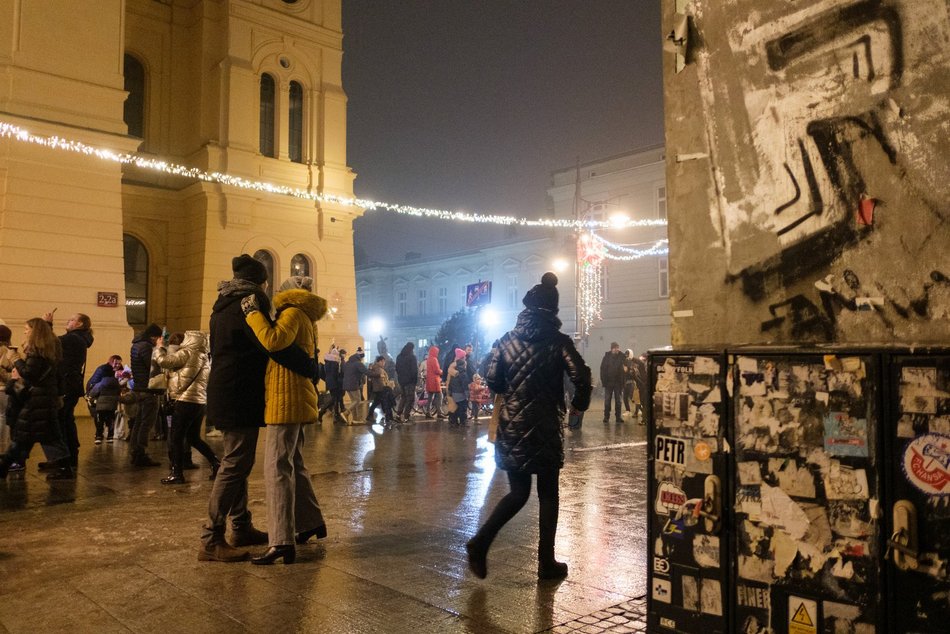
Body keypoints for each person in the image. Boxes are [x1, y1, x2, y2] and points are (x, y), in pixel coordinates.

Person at [466, 272, 592, 580]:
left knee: (518, 493)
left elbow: (493, 380)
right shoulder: (559, 342)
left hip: (513, 424)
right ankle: (546, 562)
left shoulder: (506, 340)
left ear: (527, 309)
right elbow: (582, 376)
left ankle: (480, 543)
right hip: (546, 425)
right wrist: (579, 406)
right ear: (553, 310)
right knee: (548, 493)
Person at [242, 276, 328, 565]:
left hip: (286, 399)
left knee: (277, 467)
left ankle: (281, 542)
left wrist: (252, 314)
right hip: (295, 396)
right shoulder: (305, 314)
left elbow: (274, 341)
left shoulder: (292, 312)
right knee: (294, 462)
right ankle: (311, 521)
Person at [199, 254, 274, 562]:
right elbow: (264, 340)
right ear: (260, 281)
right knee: (235, 463)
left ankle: (241, 526)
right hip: (239, 389)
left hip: (225, 387)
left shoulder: (223, 303)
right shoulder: (251, 301)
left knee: (237, 461)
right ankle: (210, 538)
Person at [0, 318, 74, 480]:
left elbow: (29, 374)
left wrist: (16, 359)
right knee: (47, 437)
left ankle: (4, 466)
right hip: (44, 399)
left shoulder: (36, 353)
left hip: (37, 400)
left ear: (35, 331)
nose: (25, 331)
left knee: (24, 436)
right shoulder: (47, 351)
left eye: (27, 329)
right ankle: (64, 468)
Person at [155, 330, 218, 485]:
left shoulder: (187, 353)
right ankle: (217, 463)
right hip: (199, 402)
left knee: (176, 438)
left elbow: (163, 361)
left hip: (184, 401)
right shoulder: (204, 356)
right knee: (193, 437)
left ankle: (177, 473)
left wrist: (159, 348)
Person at [43, 312, 93, 470]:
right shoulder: (80, 338)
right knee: (66, 420)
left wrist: (47, 325)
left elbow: (50, 343)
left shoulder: (73, 338)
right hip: (71, 384)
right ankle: (68, 456)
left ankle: (63, 459)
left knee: (60, 422)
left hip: (66, 385)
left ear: (80, 324)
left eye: (72, 319)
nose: (68, 320)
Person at [127, 323, 165, 467]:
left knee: (139, 422)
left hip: (140, 388)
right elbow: (154, 365)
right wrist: (160, 349)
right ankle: (140, 453)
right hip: (149, 389)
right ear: (154, 337)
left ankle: (135, 451)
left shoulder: (137, 345)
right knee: (146, 423)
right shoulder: (146, 347)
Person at [87, 368, 120, 444]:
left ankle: (98, 436)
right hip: (112, 406)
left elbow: (93, 393)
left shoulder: (101, 383)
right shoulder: (116, 383)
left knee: (100, 421)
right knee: (111, 421)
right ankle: (110, 437)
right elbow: (118, 392)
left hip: (101, 406)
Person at [318, 346, 346, 424]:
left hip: (329, 383)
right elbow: (335, 375)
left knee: (336, 399)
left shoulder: (328, 362)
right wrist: (340, 379)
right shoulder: (334, 363)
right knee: (334, 399)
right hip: (335, 383)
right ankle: (321, 412)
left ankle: (336, 416)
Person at [600, 342, 625, 424]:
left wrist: (623, 382)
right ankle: (606, 417)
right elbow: (602, 369)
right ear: (611, 349)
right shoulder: (606, 357)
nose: (617, 349)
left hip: (618, 383)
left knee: (618, 401)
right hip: (608, 383)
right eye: (615, 348)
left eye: (617, 347)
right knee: (607, 401)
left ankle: (618, 417)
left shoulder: (622, 357)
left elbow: (625, 369)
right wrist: (604, 382)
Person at [366, 355, 395, 424]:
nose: (384, 363)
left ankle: (387, 417)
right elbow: (381, 380)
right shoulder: (378, 369)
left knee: (378, 403)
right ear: (380, 361)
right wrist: (385, 387)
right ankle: (388, 418)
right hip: (380, 389)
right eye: (383, 361)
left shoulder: (376, 367)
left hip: (378, 388)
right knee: (384, 403)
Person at [342, 350, 369, 424]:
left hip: (346, 384)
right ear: (361, 357)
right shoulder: (358, 363)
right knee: (357, 400)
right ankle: (345, 412)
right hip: (353, 384)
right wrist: (378, 375)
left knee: (354, 402)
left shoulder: (348, 362)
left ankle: (355, 419)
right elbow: (366, 372)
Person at [394, 342, 418, 423]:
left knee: (403, 397)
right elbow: (415, 371)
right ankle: (406, 416)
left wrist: (401, 377)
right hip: (410, 382)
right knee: (410, 399)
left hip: (402, 381)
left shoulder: (399, 357)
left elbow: (396, 369)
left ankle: (398, 415)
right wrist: (415, 381)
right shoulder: (412, 357)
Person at [446, 348, 469, 426]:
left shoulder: (452, 369)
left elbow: (450, 381)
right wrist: (467, 394)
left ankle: (454, 421)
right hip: (460, 393)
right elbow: (465, 384)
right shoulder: (462, 372)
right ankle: (463, 422)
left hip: (453, 391)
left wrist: (449, 390)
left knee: (454, 407)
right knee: (462, 408)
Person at [424, 345, 444, 419]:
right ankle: (439, 412)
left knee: (430, 397)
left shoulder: (429, 359)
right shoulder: (434, 359)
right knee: (440, 396)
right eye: (437, 352)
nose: (437, 354)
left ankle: (428, 412)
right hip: (435, 381)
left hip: (429, 380)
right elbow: (436, 370)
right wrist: (442, 371)